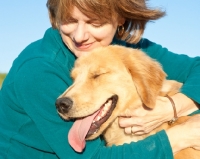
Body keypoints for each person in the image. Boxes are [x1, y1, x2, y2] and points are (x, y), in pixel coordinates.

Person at [0, 0, 200, 158]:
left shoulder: (122, 47)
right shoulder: (38, 70)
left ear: (120, 18)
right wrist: (182, 136)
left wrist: (173, 107)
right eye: (69, 20)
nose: (80, 36)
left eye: (94, 22)